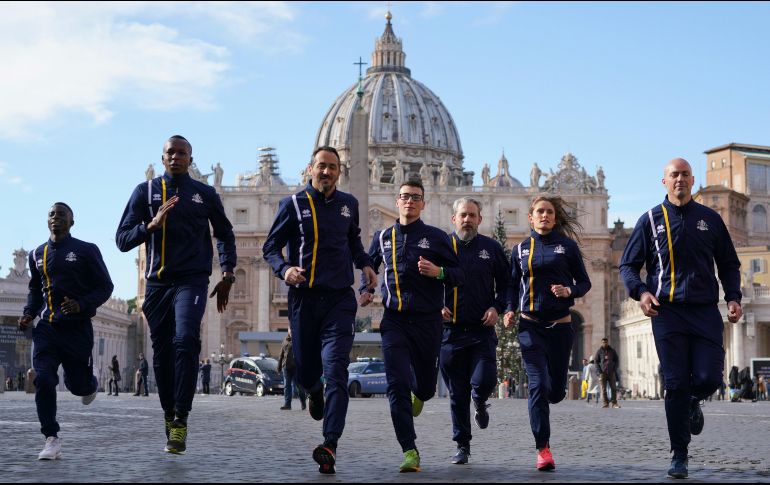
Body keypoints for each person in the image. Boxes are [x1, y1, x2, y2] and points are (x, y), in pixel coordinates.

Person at [619, 157, 742, 479]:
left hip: (704, 309)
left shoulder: (710, 219)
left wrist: (733, 298)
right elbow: (628, 266)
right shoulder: (649, 219)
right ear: (664, 181)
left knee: (710, 379)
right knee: (674, 384)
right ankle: (679, 454)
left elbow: (729, 263)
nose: (680, 179)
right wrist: (641, 293)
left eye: (685, 174)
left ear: (692, 180)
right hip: (666, 311)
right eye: (674, 175)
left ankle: (692, 400)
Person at [116, 135, 237, 455]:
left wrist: (227, 272)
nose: (176, 157)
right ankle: (169, 414)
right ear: (163, 156)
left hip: (193, 282)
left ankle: (182, 416)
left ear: (190, 157)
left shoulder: (204, 193)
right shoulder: (146, 192)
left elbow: (225, 233)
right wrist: (150, 226)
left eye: (182, 153)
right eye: (171, 152)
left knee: (186, 340)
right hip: (157, 284)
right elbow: (122, 239)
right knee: (163, 355)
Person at [263, 145, 377, 474]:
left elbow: (353, 240)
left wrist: (365, 264)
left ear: (339, 172)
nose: (326, 172)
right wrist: (284, 269)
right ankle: (313, 392)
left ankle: (330, 443)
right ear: (311, 168)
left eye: (332, 167)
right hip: (304, 298)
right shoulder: (292, 205)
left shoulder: (349, 204)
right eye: (321, 166)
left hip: (340, 299)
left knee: (338, 371)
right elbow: (270, 246)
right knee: (306, 372)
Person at [360, 180, 464, 473]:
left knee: (427, 388)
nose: (409, 202)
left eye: (415, 198)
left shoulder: (437, 237)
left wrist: (439, 271)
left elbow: (459, 275)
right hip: (393, 320)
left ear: (423, 203)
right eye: (405, 197)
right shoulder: (382, 237)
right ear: (397, 201)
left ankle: (421, 393)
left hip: (427, 321)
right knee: (396, 385)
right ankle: (409, 449)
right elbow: (368, 267)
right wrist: (365, 290)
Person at [19, 202, 114, 460]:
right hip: (47, 328)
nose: (56, 218)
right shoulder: (37, 253)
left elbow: (106, 286)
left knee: (78, 387)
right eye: (51, 214)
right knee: (44, 379)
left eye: (62, 215)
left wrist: (81, 304)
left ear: (72, 222)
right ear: (46, 220)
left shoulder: (85, 250)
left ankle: (89, 383)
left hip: (76, 329)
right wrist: (29, 312)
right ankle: (51, 438)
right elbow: (35, 290)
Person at [503, 195, 591, 472]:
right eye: (539, 211)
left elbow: (585, 282)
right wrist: (508, 309)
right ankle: (543, 448)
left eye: (549, 212)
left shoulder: (567, 247)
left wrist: (570, 291)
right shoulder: (519, 250)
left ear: (555, 217)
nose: (544, 215)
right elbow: (511, 286)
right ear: (530, 217)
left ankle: (558, 389)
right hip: (530, 326)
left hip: (561, 326)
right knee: (537, 385)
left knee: (554, 392)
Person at [437, 196, 509, 465]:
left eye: (472, 215)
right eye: (462, 215)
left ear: (480, 219)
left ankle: (480, 401)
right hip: (450, 332)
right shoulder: (440, 247)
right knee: (457, 393)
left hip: (481, 330)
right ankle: (462, 445)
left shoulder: (491, 248)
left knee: (485, 379)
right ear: (453, 218)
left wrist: (496, 307)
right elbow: (424, 281)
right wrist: (436, 306)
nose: (467, 219)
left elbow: (506, 285)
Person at [277, 329, 306, 410]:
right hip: (286, 367)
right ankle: (287, 404)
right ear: (288, 331)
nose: (291, 331)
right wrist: (279, 367)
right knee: (287, 386)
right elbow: (281, 355)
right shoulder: (285, 341)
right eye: (290, 330)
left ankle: (303, 402)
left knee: (299, 387)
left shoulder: (299, 340)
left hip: (296, 368)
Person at [594, 338, 620, 408]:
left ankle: (614, 403)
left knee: (613, 388)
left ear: (608, 342)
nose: (605, 343)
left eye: (606, 342)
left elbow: (617, 360)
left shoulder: (612, 351)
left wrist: (614, 368)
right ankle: (606, 403)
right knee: (603, 389)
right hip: (603, 373)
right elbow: (596, 361)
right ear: (602, 343)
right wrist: (599, 371)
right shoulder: (599, 351)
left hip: (611, 372)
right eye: (603, 342)